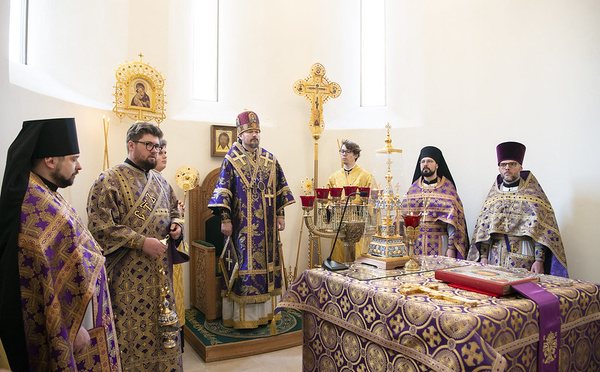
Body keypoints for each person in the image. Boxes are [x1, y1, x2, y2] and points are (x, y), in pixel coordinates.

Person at [0, 118, 121, 371]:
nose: (79, 166)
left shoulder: (43, 191)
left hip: (83, 319)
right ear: (50, 161)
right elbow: (44, 278)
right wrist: (71, 328)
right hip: (74, 327)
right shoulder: (34, 204)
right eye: (73, 158)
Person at [87, 122, 185, 370]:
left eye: (158, 146)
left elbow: (175, 210)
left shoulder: (161, 182)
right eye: (149, 145)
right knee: (130, 334)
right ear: (131, 145)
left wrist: (177, 227)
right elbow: (100, 228)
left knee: (164, 331)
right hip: (127, 279)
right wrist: (142, 243)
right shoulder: (109, 180)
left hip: (161, 275)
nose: (155, 150)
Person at [208, 110, 295, 329]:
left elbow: (280, 189)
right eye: (250, 132)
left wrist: (280, 215)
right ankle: (243, 320)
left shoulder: (269, 159)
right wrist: (225, 220)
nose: (254, 135)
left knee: (267, 267)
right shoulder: (231, 160)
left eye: (257, 131)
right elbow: (223, 191)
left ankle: (265, 315)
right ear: (240, 133)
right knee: (244, 266)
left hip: (267, 228)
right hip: (241, 226)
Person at [467, 141, 568, 277]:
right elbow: (484, 229)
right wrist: (483, 256)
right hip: (495, 255)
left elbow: (542, 231)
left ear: (520, 167)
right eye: (503, 165)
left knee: (521, 292)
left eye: (512, 164)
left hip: (524, 252)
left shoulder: (533, 194)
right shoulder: (493, 196)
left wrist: (539, 260)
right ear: (499, 169)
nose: (507, 168)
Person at [400, 146, 468, 258]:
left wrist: (451, 248)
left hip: (440, 242)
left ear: (437, 165)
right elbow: (401, 222)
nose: (425, 164)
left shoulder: (448, 190)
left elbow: (454, 222)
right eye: (423, 161)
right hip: (416, 242)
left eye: (429, 161)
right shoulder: (412, 191)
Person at [152, 138, 187, 352]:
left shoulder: (164, 185)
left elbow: (174, 220)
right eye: (160, 151)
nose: (165, 155)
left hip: (168, 254)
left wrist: (178, 224)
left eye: (166, 151)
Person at [326, 140, 373, 262]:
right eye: (342, 151)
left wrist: (356, 206)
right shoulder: (334, 177)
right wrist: (330, 206)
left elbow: (373, 202)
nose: (343, 154)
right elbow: (326, 200)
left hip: (358, 226)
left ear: (356, 155)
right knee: (338, 262)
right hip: (339, 226)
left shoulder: (366, 176)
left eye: (347, 151)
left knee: (357, 262)